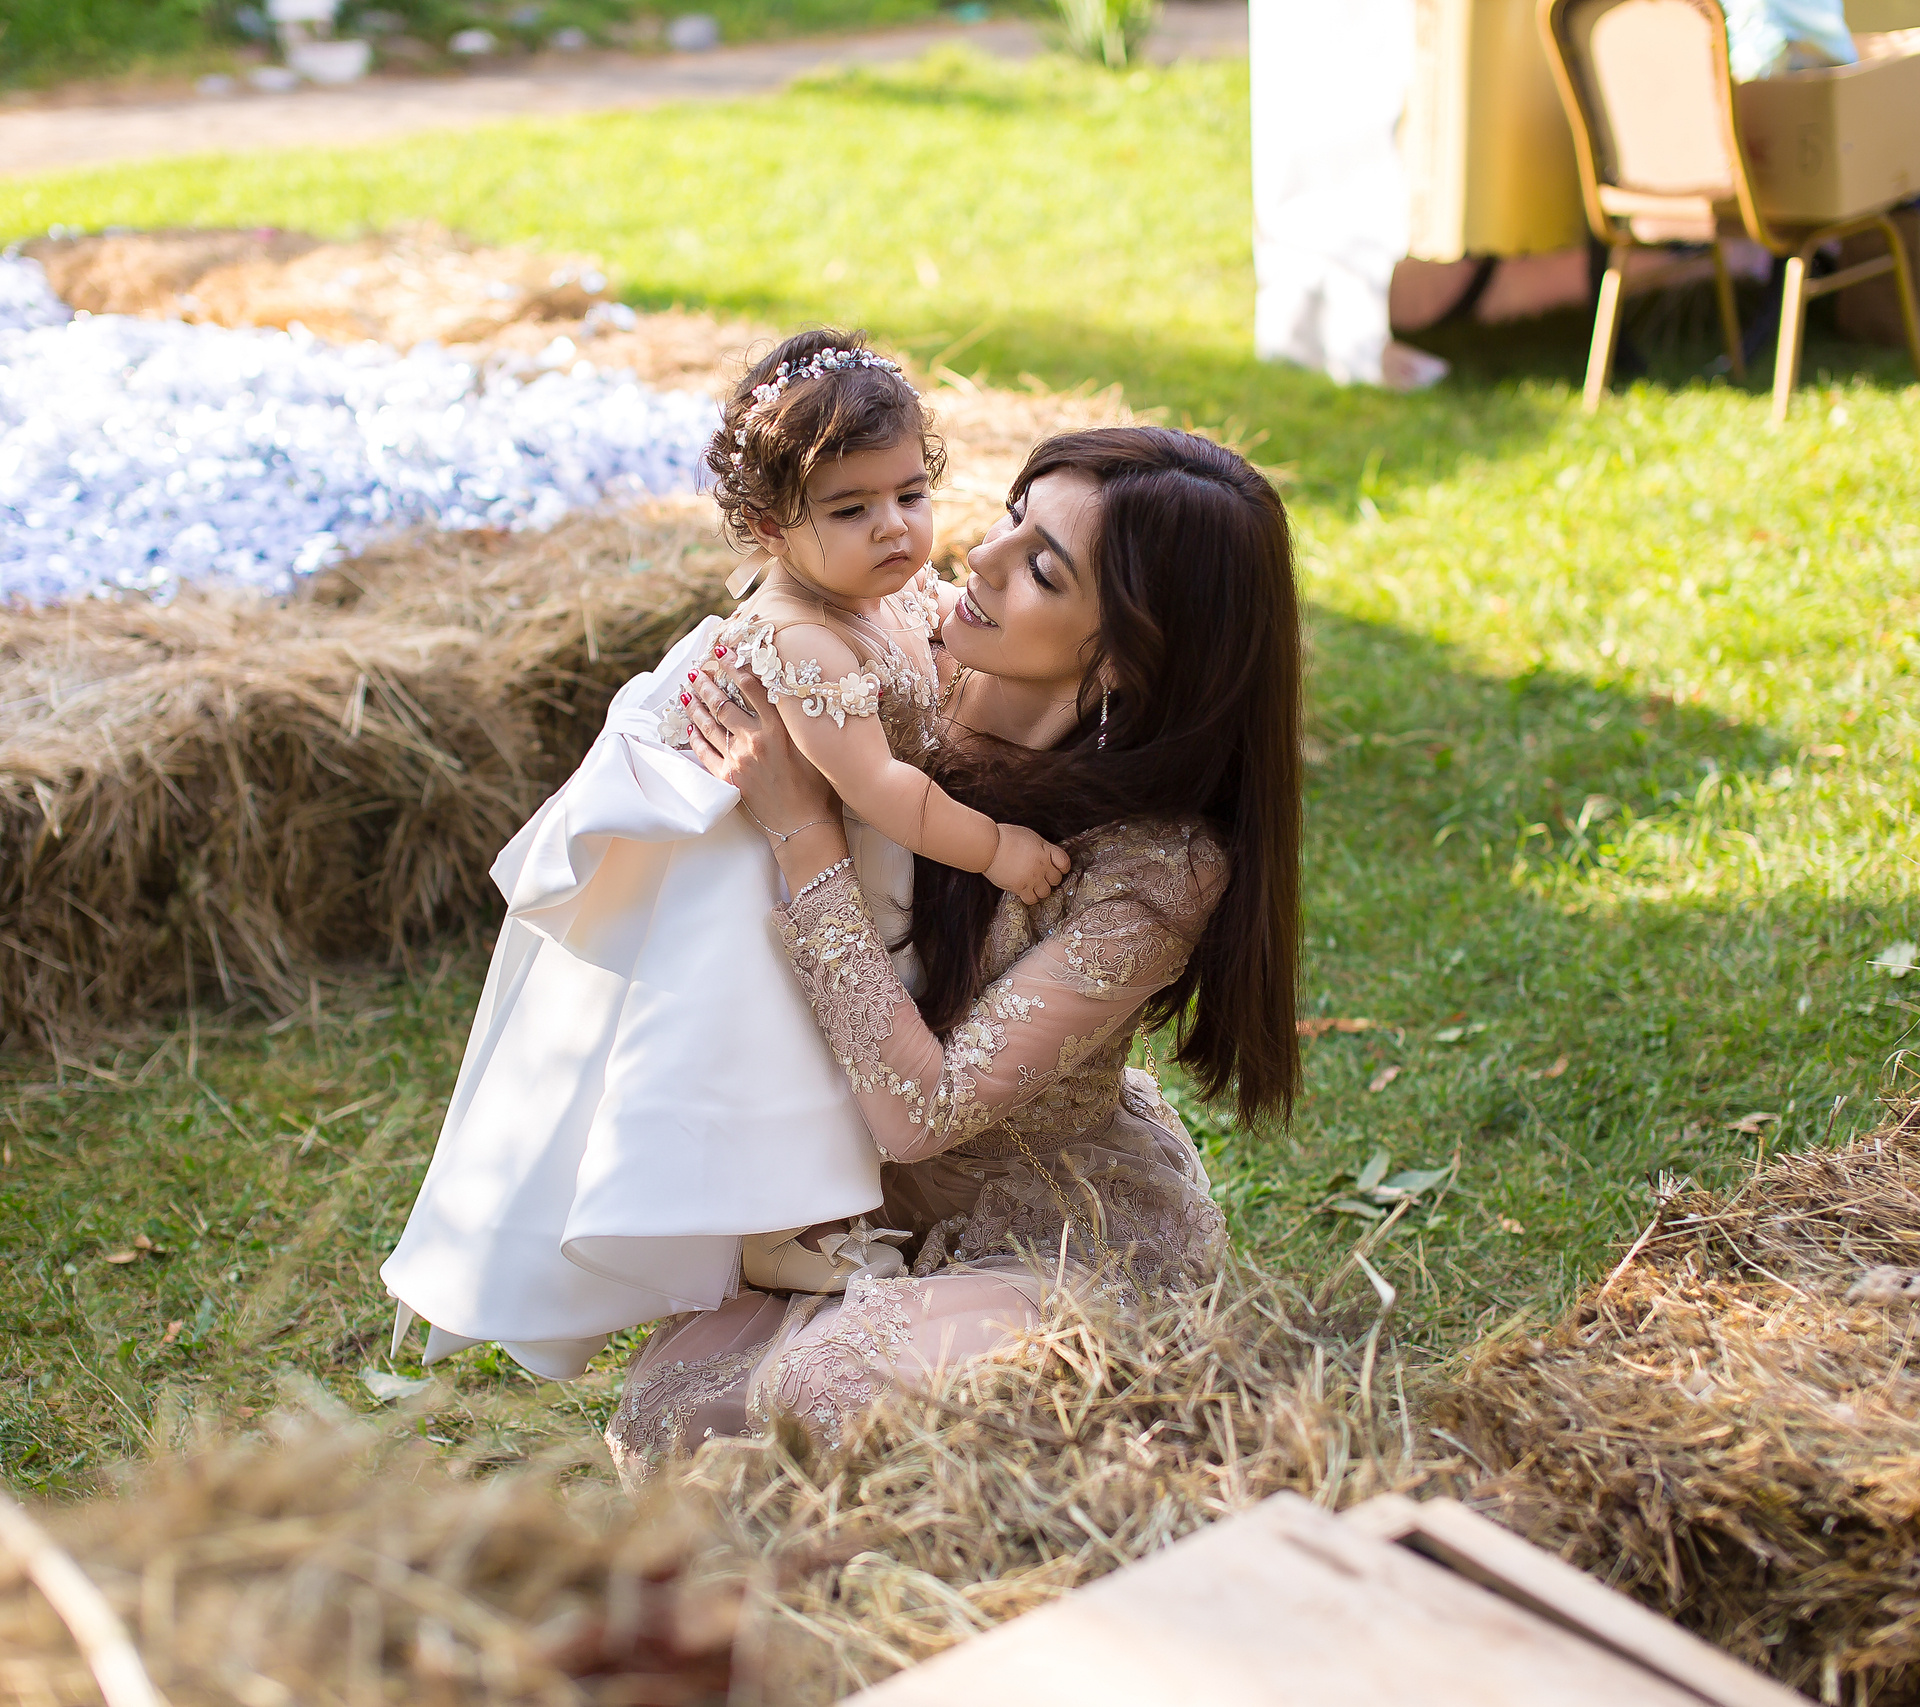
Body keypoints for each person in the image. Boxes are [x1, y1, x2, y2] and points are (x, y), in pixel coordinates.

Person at [607, 425, 1303, 1476]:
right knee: (682, 1419)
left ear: (1127, 657)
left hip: (1048, 1232)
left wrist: (802, 829)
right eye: (1014, 517)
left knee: (824, 1396)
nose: (979, 556)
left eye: (1042, 570)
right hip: (845, 1194)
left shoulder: (1156, 870)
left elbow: (919, 1112)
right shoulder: (889, 658)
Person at [379, 331, 1067, 1380]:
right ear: (769, 528)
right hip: (760, 872)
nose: (894, 527)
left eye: (910, 493)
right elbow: (881, 788)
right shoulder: (800, 638)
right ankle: (769, 1224)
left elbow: (926, 667)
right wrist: (999, 848)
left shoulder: (876, 594)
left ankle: (807, 1205)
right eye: (851, 509)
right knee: (772, 1046)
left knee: (823, 1041)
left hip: (836, 851)